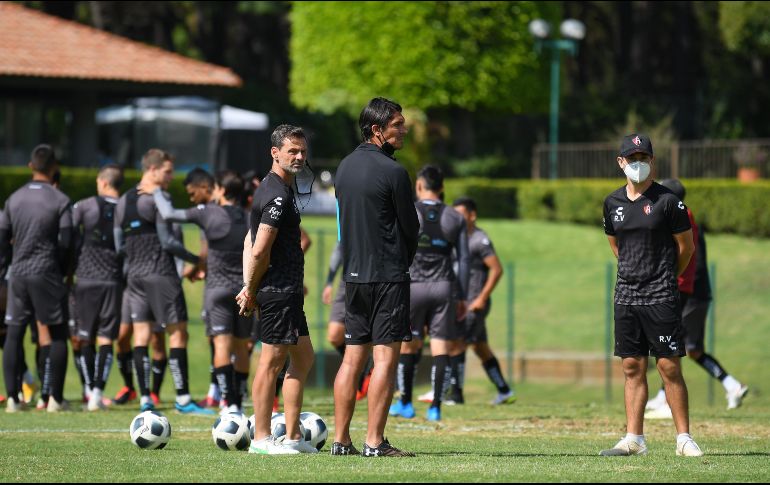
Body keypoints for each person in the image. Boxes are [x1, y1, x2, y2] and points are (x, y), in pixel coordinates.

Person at [600, 133, 703, 457]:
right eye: (632, 158)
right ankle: (634, 439)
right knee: (632, 365)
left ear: (652, 161)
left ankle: (684, 438)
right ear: (621, 162)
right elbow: (616, 246)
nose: (638, 164)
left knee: (669, 367)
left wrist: (667, 276)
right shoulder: (612, 203)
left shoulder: (669, 201)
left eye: (644, 158)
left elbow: (685, 247)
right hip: (626, 295)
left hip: (661, 294)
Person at [331, 97, 419, 457]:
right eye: (397, 124)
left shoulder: (344, 167)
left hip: (353, 279)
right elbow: (410, 228)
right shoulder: (394, 172)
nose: (404, 129)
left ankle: (340, 441)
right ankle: (374, 442)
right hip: (387, 278)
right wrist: (402, 263)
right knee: (384, 360)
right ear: (376, 130)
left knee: (352, 358)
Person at [237, 124, 317, 454]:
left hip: (288, 292)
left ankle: (294, 436)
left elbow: (249, 240)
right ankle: (260, 439)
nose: (299, 156)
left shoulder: (276, 188)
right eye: (292, 151)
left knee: (303, 358)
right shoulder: (277, 195)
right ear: (275, 153)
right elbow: (259, 249)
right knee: (271, 363)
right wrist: (250, 288)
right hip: (278, 290)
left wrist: (248, 285)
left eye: (302, 151)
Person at [114, 148, 213, 415]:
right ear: (153, 169)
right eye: (168, 172)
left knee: (141, 335)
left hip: (134, 275)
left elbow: (118, 244)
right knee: (178, 333)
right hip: (162, 274)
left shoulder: (123, 200)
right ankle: (182, 400)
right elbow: (169, 242)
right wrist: (197, 260)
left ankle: (146, 398)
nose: (170, 177)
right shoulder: (159, 198)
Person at [645, 179, 748, 418]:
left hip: (686, 290)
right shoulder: (683, 213)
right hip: (689, 289)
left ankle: (668, 401)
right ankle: (729, 385)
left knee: (671, 343)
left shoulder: (681, 214)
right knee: (689, 349)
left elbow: (689, 257)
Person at [153, 169, 252, 413]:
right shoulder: (251, 218)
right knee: (241, 348)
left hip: (216, 290)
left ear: (222, 190)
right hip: (243, 292)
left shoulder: (209, 213)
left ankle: (227, 404)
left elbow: (168, 214)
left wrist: (155, 190)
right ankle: (238, 403)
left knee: (221, 346)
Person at [389, 165, 469, 422]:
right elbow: (464, 260)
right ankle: (435, 406)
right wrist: (463, 295)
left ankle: (405, 403)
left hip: (413, 286)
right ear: (442, 188)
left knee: (408, 347)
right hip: (444, 287)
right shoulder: (456, 218)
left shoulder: (409, 211)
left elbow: (396, 248)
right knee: (441, 347)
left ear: (419, 186)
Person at [1, 144, 72, 412]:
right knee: (57, 334)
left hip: (18, 273)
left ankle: (12, 398)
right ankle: (55, 398)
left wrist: (6, 268)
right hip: (47, 272)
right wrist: (63, 271)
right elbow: (66, 241)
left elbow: (2, 240)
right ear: (54, 167)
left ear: (31, 166)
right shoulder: (60, 200)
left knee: (14, 333)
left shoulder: (14, 199)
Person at [448, 196, 516, 405]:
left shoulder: (479, 239)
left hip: (473, 303)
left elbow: (497, 269)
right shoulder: (455, 239)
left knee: (457, 344)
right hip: (461, 301)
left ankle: (456, 396)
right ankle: (504, 390)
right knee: (480, 347)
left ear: (472, 215)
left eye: (460, 215)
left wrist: (481, 298)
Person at [71, 164, 125, 411]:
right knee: (106, 339)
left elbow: (68, 237)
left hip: (85, 279)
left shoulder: (83, 206)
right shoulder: (126, 207)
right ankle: (96, 393)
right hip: (113, 280)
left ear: (102, 182)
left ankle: (87, 389)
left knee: (85, 338)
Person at [322, 242, 373, 401]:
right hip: (348, 280)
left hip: (374, 278)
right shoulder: (348, 218)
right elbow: (339, 248)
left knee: (370, 332)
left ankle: (366, 373)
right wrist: (329, 282)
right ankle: (365, 366)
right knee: (334, 335)